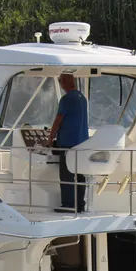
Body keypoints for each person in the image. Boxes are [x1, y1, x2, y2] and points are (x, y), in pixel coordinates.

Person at [46, 74, 89, 212]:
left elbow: (58, 120)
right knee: (79, 174)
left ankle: (69, 205)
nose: (60, 84)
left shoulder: (66, 99)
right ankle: (80, 204)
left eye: (60, 81)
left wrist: (49, 139)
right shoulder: (82, 98)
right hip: (81, 143)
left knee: (66, 175)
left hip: (68, 143)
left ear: (64, 82)